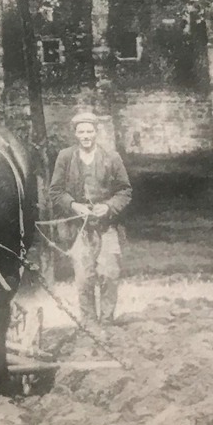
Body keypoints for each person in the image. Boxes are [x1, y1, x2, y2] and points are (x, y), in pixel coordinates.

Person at [50, 111, 132, 324]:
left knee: (109, 274)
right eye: (81, 131)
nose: (86, 135)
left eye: (90, 131)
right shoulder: (66, 157)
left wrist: (108, 206)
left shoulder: (112, 158)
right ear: (75, 134)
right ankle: (88, 324)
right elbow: (56, 191)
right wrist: (74, 205)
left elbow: (125, 191)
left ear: (97, 132)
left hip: (107, 227)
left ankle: (107, 321)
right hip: (79, 228)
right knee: (84, 278)